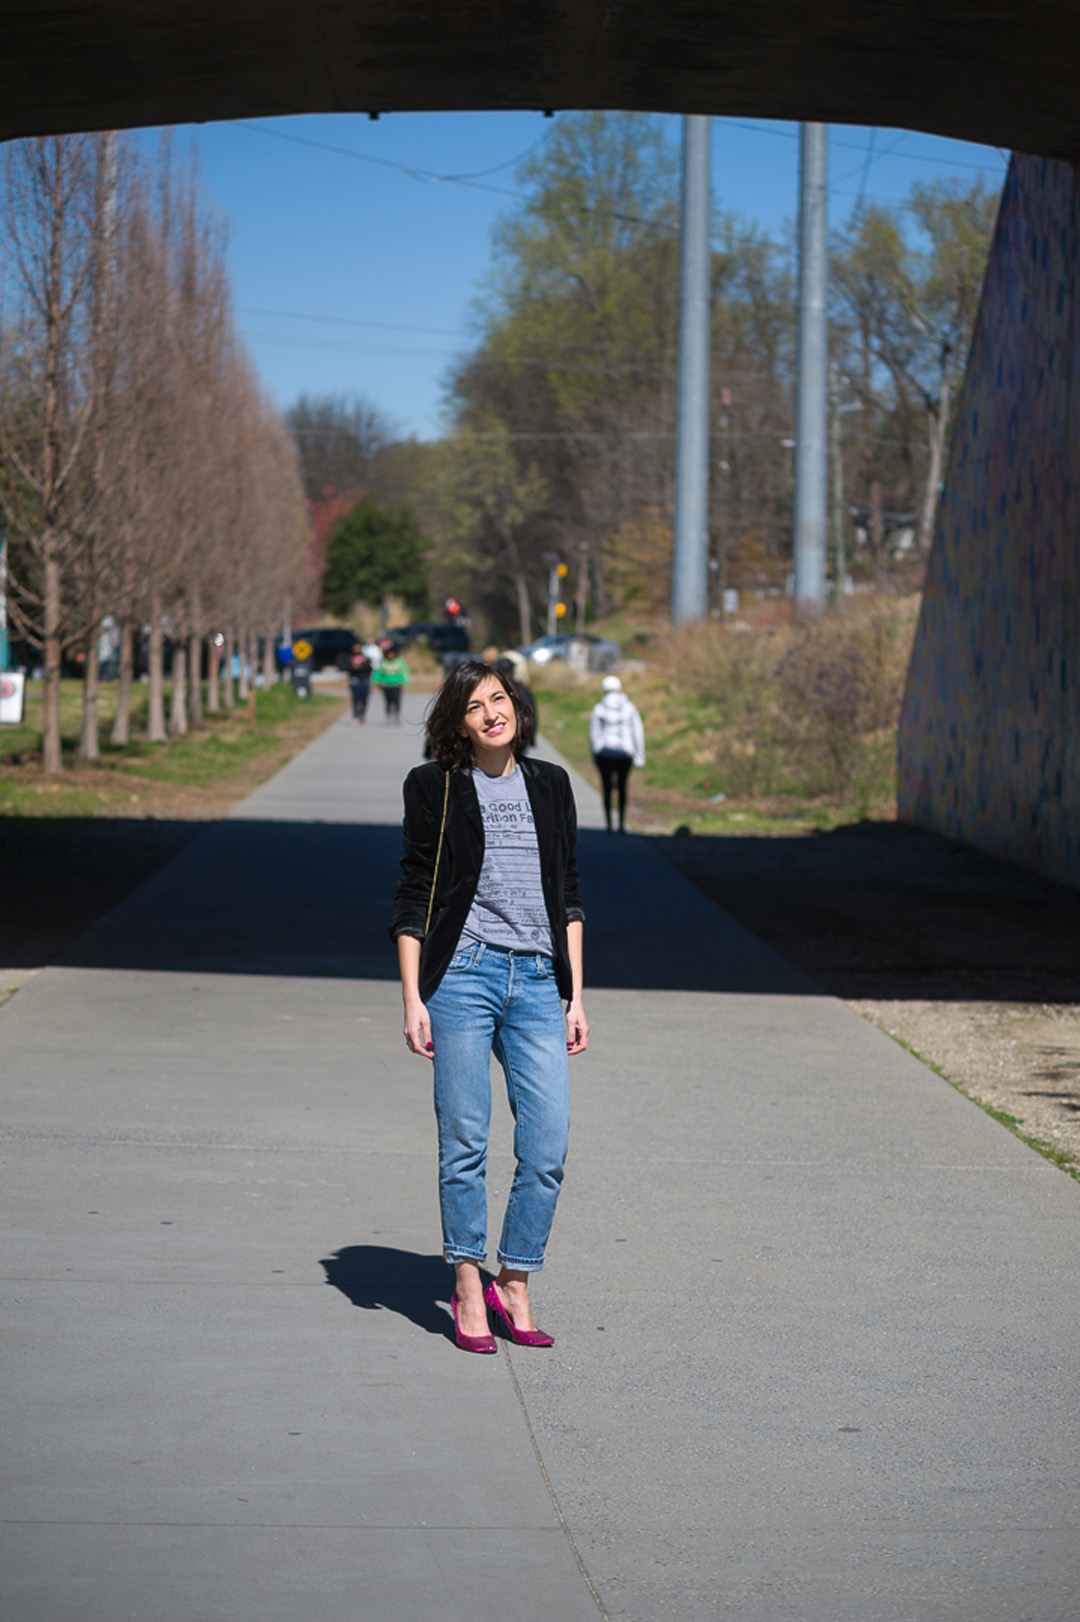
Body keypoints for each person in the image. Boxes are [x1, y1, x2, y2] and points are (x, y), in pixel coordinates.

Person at [391, 659, 589, 1354]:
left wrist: (574, 995)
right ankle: (468, 1282)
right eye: (475, 706)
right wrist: (414, 996)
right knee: (466, 1143)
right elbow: (414, 894)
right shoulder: (434, 787)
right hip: (464, 979)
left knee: (546, 1147)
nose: (491, 713)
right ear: (459, 723)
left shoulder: (551, 784)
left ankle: (516, 1277)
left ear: (517, 708)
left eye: (498, 699)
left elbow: (568, 894)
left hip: (538, 981)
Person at [589, 674, 645, 833]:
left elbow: (594, 733)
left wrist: (595, 752)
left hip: (604, 753)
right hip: (625, 753)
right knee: (622, 786)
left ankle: (608, 823)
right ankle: (621, 823)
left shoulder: (599, 708)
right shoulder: (630, 708)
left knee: (606, 788)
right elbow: (637, 732)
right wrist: (639, 755)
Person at [373, 640, 410, 723]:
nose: (390, 655)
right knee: (388, 701)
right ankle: (388, 716)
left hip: (396, 685)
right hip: (386, 685)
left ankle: (396, 715)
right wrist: (376, 682)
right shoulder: (383, 662)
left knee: (396, 701)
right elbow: (378, 673)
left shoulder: (400, 661)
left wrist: (406, 682)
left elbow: (405, 672)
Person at [347, 643, 372, 724]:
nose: (357, 649)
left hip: (364, 681)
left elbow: (370, 669)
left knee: (364, 700)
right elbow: (344, 667)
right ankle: (355, 716)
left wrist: (361, 666)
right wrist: (353, 667)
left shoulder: (366, 659)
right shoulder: (350, 658)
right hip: (354, 681)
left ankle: (362, 716)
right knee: (355, 700)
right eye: (355, 648)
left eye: (358, 648)